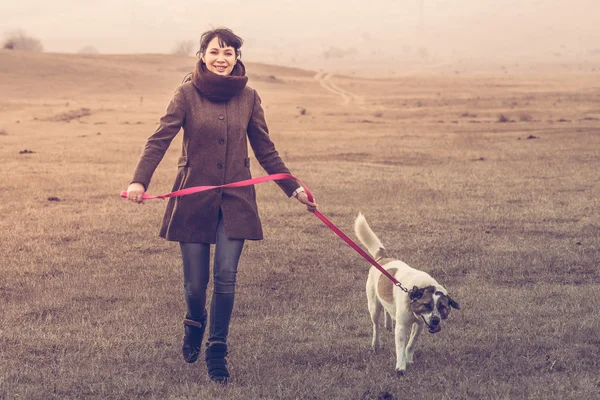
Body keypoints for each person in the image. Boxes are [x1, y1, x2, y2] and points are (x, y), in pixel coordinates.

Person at [126, 27, 317, 384]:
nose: (221, 59)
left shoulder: (249, 97)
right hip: (193, 199)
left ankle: (217, 351)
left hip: (236, 202)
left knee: (226, 277)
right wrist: (139, 180)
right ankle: (194, 322)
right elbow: (159, 140)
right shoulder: (185, 95)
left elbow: (265, 150)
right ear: (202, 55)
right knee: (196, 286)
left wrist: (294, 189)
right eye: (215, 52)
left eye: (228, 53)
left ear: (236, 58)